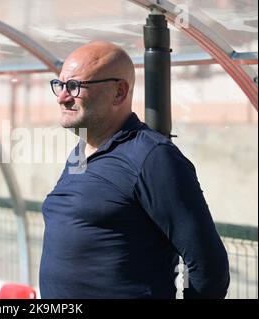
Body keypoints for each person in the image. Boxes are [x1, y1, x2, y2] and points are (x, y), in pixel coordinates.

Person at [40, 41, 230, 299]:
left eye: (75, 86)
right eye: (60, 85)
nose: (63, 96)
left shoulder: (153, 157)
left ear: (119, 92)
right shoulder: (80, 151)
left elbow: (210, 268)